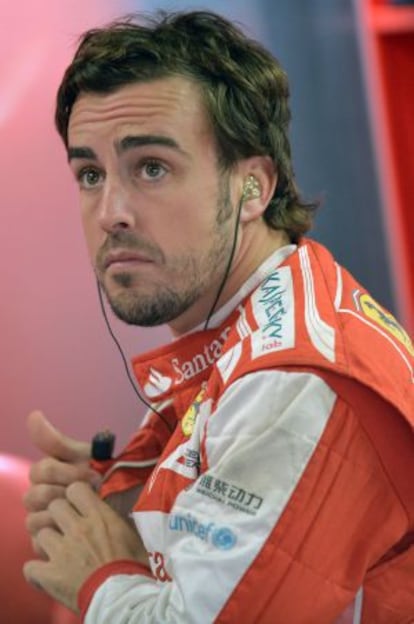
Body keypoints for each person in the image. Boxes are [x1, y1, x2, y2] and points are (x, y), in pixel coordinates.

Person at [22, 10, 414, 624]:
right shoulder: (265, 310)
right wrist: (119, 502)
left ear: (253, 188)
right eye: (91, 175)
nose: (110, 213)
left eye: (151, 167)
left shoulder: (291, 382)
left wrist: (101, 578)